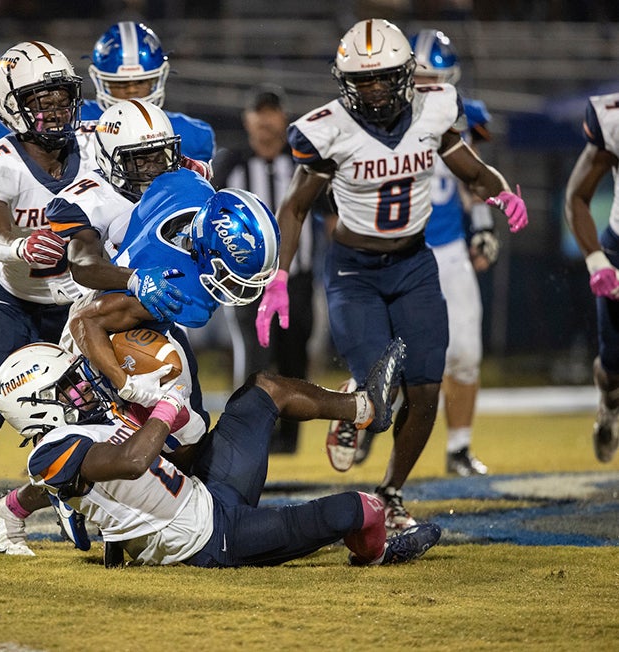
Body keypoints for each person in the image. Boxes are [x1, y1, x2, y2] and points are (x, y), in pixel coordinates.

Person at [0, 42, 179, 555]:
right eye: (41, 101)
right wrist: (21, 245)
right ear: (10, 105)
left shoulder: (98, 142)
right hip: (14, 303)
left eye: (62, 98)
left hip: (82, 309)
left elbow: (146, 160)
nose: (56, 111)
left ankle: (73, 511)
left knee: (109, 419)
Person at [263, 18, 529, 530]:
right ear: (345, 83)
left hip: (414, 265)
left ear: (407, 74)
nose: (375, 89)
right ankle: (354, 402)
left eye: (384, 77)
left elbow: (472, 169)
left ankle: (391, 493)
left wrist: (501, 192)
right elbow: (295, 208)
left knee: (426, 389)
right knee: (380, 402)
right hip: (354, 272)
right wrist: (279, 276)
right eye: (363, 80)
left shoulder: (435, 109)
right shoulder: (327, 128)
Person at [0, 337, 441, 568]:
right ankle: (379, 556)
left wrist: (11, 507)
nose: (84, 387)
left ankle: (364, 408)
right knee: (363, 510)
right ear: (36, 406)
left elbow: (181, 444)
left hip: (206, 492)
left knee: (264, 389)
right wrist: (164, 408)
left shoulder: (82, 432)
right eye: (69, 386)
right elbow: (131, 463)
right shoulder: (51, 450)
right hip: (209, 541)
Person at [407, 28, 496, 477]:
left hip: (450, 250)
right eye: (419, 79)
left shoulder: (465, 115)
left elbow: (473, 180)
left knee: (465, 352)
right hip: (401, 252)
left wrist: (482, 228)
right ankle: (362, 425)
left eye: (434, 79)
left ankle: (459, 447)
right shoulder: (382, 117)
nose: (426, 89)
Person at [213, 85, 318, 454]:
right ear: (248, 120)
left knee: (293, 358)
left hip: (296, 279)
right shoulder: (230, 164)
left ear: (282, 118)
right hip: (245, 283)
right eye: (259, 113)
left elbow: (332, 213)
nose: (265, 121)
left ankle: (289, 440)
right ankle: (247, 436)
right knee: (252, 359)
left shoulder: (302, 164)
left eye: (271, 112)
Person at [564, 90, 619, 463]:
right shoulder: (613, 119)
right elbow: (577, 197)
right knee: (613, 368)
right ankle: (611, 404)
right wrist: (598, 261)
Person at [83, 21, 216, 168]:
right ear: (100, 80)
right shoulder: (77, 119)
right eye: (120, 83)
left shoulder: (193, 134)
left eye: (140, 82)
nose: (132, 90)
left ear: (157, 79)